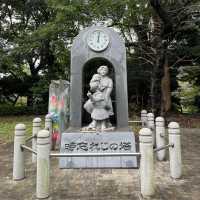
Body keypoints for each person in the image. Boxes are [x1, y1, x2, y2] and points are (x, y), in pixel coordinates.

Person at [83, 65, 114, 130]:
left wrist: (105, 98)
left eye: (105, 70)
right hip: (96, 96)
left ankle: (105, 123)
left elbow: (109, 90)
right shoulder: (96, 77)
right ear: (99, 71)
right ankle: (94, 122)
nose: (103, 71)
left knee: (105, 109)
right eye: (102, 70)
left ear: (107, 72)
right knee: (87, 105)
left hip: (105, 96)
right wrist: (94, 82)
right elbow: (92, 88)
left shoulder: (109, 80)